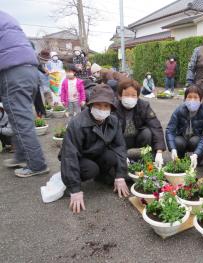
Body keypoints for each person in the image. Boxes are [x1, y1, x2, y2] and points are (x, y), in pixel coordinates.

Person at [59, 84, 129, 214]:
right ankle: (75, 180)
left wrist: (120, 175)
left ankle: (101, 177)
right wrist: (74, 189)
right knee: (91, 169)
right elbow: (69, 155)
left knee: (111, 157)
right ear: (91, 105)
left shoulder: (113, 121)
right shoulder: (77, 123)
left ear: (111, 108)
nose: (102, 109)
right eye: (98, 105)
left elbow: (120, 147)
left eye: (106, 106)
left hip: (97, 152)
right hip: (80, 157)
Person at [0, 11, 49, 177]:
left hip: (12, 71)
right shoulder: (7, 17)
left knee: (21, 121)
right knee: (20, 118)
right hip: (29, 70)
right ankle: (21, 156)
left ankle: (37, 165)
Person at [113, 79, 166, 167]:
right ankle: (126, 156)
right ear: (119, 96)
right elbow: (111, 133)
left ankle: (140, 159)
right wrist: (120, 152)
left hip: (137, 141)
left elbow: (156, 126)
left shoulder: (144, 106)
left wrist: (159, 151)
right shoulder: (113, 108)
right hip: (121, 142)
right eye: (126, 95)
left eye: (133, 95)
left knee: (147, 132)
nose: (130, 98)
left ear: (138, 97)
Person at [166, 85, 203, 168]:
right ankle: (179, 157)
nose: (192, 100)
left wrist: (196, 154)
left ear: (201, 100)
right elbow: (170, 130)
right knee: (177, 142)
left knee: (195, 141)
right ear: (184, 99)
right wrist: (172, 148)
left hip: (196, 139)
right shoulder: (179, 110)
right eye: (189, 97)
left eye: (195, 97)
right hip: (182, 138)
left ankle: (198, 158)